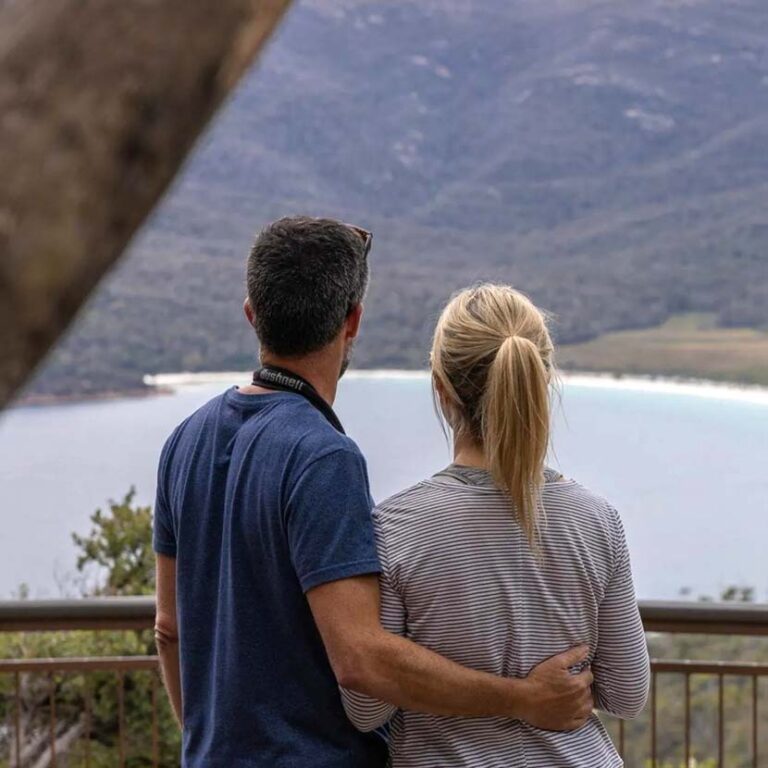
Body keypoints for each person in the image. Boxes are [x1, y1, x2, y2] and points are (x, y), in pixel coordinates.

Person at [152, 219, 595, 768]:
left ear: (251, 313)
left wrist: (203, 740)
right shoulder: (322, 455)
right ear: (352, 321)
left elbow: (168, 630)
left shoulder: (184, 442)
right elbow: (361, 661)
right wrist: (523, 699)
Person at [342, 283, 650, 766]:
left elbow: (367, 705)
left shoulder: (395, 527)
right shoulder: (598, 521)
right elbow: (627, 693)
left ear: (440, 387)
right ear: (542, 379)